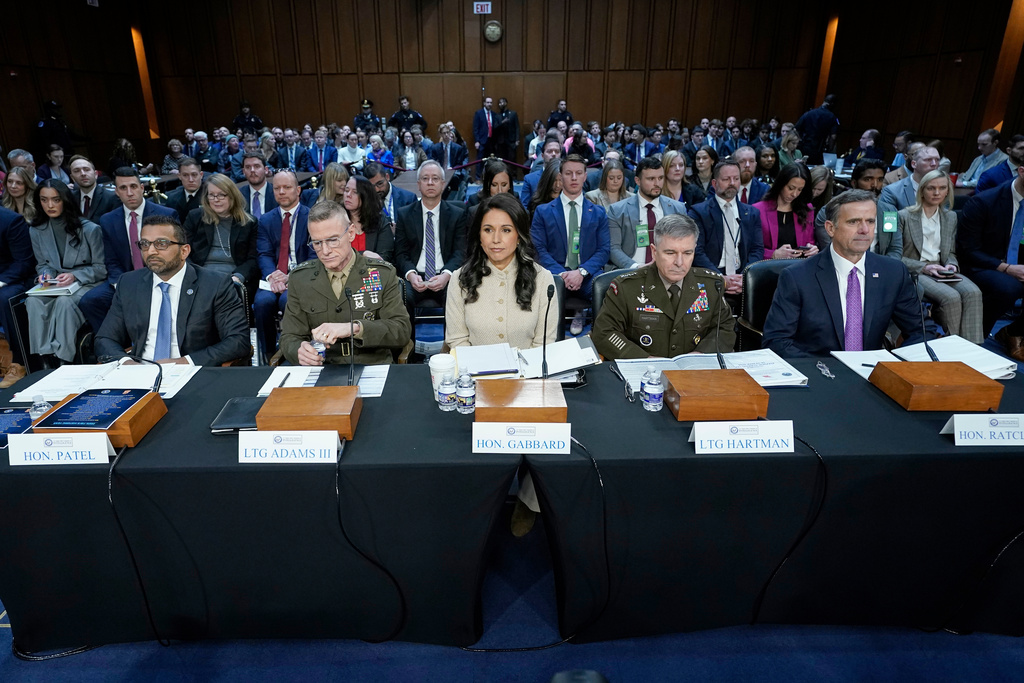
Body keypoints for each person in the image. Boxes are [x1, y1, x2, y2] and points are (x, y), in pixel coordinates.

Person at [762, 190, 923, 358]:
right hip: (821, 374)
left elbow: (921, 331)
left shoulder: (893, 272)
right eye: (853, 222)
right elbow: (776, 341)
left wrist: (894, 367)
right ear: (830, 228)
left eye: (870, 221)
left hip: (874, 374)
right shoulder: (797, 277)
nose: (865, 230)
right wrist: (827, 371)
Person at [95, 215, 250, 365]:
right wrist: (127, 362)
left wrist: (184, 362)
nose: (151, 251)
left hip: (192, 373)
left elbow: (238, 341)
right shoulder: (129, 283)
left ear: (184, 251)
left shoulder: (215, 284)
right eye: (145, 244)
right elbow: (105, 339)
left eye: (161, 244)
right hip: (140, 373)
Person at [280, 200, 410, 366]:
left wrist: (354, 328)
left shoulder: (381, 274)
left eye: (333, 240)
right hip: (322, 368)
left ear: (350, 233)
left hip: (371, 365)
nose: (325, 251)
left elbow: (401, 330)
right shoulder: (301, 279)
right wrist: (299, 351)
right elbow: (289, 337)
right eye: (317, 243)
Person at [593, 213, 735, 359]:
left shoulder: (711, 285)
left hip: (695, 372)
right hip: (643, 373)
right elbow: (604, 333)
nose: (679, 262)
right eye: (670, 253)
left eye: (687, 253)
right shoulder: (626, 287)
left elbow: (725, 328)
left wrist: (700, 355)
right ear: (654, 252)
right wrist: (643, 359)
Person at [445, 192, 558, 350]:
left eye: (506, 230)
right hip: (475, 372)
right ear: (479, 235)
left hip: (529, 373)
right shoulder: (459, 279)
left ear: (519, 236)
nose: (496, 239)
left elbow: (543, 344)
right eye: (488, 230)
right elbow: (457, 341)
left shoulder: (543, 279)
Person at [79, 167, 177, 335]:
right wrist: (120, 285)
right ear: (117, 192)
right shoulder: (108, 220)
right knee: (90, 301)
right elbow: (111, 260)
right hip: (126, 279)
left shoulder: (165, 214)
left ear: (142, 188)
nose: (129, 192)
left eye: (133, 186)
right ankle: (113, 345)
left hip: (159, 276)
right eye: (123, 188)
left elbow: (172, 255)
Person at [896, 170, 982, 343]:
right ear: (922, 190)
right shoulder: (903, 216)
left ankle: (972, 347)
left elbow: (950, 252)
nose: (936, 193)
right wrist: (925, 268)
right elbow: (896, 256)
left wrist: (952, 265)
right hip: (916, 269)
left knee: (974, 292)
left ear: (947, 191)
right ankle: (953, 344)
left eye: (942, 188)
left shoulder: (950, 217)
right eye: (931, 188)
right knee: (951, 297)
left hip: (942, 269)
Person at [26, 179, 105, 364]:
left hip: (87, 282)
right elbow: (42, 263)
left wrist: (75, 276)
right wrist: (46, 275)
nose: (50, 205)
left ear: (65, 200)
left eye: (56, 199)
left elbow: (101, 269)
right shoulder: (36, 230)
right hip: (56, 284)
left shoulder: (90, 230)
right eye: (44, 200)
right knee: (33, 301)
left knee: (64, 303)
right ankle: (45, 358)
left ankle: (64, 358)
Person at [957, 163, 1024, 352]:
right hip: (982, 264)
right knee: (1009, 287)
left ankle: (1012, 331)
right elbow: (968, 250)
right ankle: (973, 339)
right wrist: (1006, 268)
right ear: (1021, 171)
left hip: (1017, 264)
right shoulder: (984, 201)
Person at [394, 161, 469, 323]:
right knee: (401, 295)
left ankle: (451, 345)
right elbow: (400, 253)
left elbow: (460, 252)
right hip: (414, 277)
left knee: (456, 292)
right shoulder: (405, 214)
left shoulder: (457, 214)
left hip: (445, 275)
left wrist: (446, 275)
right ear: (418, 184)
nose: (430, 183)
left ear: (443, 184)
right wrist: (411, 275)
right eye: (425, 178)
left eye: (435, 179)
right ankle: (409, 346)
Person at [530, 154, 610, 303]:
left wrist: (581, 272)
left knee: (605, 290)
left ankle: (592, 326)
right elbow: (538, 249)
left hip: (587, 275)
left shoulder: (598, 213)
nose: (574, 178)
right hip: (554, 274)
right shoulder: (543, 212)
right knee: (542, 291)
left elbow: (604, 250)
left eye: (579, 173)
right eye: (568, 173)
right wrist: (562, 275)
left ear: (585, 176)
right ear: (560, 177)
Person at [254, 170, 313, 360]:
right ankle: (269, 353)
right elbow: (264, 253)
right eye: (277, 188)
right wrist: (273, 276)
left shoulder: (311, 217)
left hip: (301, 276)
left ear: (298, 190)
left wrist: (291, 277)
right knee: (262, 303)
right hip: (273, 277)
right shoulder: (266, 219)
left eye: (287, 187)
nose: (281, 192)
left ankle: (294, 351)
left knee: (287, 300)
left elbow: (314, 256)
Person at [689, 159, 763, 296]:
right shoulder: (698, 212)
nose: (732, 183)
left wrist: (745, 276)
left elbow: (757, 249)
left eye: (736, 178)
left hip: (743, 278)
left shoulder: (752, 213)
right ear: (714, 183)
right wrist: (720, 278)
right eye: (726, 179)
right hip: (710, 278)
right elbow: (697, 251)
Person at [183, 173, 259, 306]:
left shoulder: (249, 223)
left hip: (232, 277)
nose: (216, 199)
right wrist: (194, 274)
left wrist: (238, 277)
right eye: (211, 195)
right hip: (201, 274)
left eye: (221, 195)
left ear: (232, 196)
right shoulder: (195, 217)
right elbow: (182, 250)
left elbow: (252, 259)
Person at [607, 157, 687, 270]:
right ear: (637, 181)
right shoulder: (617, 210)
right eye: (651, 179)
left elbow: (685, 244)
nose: (657, 183)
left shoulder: (678, 209)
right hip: (632, 270)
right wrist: (636, 267)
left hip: (669, 270)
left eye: (660, 178)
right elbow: (613, 248)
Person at [0, 205, 36, 387]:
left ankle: (19, 362)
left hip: (14, 280)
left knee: (4, 298)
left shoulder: (11, 220)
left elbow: (24, 262)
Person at [754, 163, 818, 260]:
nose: (795, 194)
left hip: (798, 267)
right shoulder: (758, 210)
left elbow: (810, 241)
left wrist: (812, 249)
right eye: (791, 188)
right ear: (781, 184)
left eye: (800, 189)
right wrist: (773, 254)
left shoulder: (807, 209)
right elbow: (750, 248)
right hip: (767, 268)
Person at [343, 175, 394, 264]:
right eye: (346, 190)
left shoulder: (380, 221)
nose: (348, 195)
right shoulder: (336, 221)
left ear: (365, 196)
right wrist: (363, 254)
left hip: (374, 273)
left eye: (355, 192)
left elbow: (385, 257)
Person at [879, 145, 941, 213]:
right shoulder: (892, 191)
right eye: (928, 160)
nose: (934, 164)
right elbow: (888, 222)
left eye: (937, 160)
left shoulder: (943, 189)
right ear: (914, 164)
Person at [69, 156, 119, 221]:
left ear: (96, 174)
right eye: (76, 171)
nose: (83, 174)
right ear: (72, 178)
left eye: (86, 169)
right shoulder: (70, 199)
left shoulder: (111, 197)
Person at [794, 94, 839, 164]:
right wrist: (830, 150)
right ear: (832, 104)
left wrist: (798, 142)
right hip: (819, 149)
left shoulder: (809, 113)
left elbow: (796, 129)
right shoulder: (832, 117)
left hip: (805, 146)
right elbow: (833, 137)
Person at [520, 138, 563, 205]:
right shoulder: (530, 179)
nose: (554, 154)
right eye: (549, 151)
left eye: (557, 151)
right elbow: (524, 207)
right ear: (542, 156)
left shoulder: (567, 177)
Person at [162, 158, 204, 222]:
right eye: (185, 175)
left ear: (201, 175)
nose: (191, 180)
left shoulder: (210, 196)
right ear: (179, 176)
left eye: (194, 175)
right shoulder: (172, 197)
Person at [238, 152, 276, 219]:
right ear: (243, 172)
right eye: (248, 167)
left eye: (257, 166)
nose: (252, 170)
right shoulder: (238, 195)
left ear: (266, 170)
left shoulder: (277, 193)